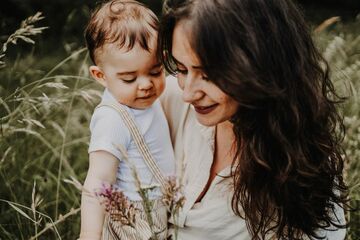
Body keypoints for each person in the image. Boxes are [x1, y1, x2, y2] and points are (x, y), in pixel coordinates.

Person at [158, 0, 348, 239]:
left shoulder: (304, 168)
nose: (188, 93)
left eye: (208, 75)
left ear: (259, 67)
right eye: (182, 69)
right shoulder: (168, 100)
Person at [79, 0, 175, 239]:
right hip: (133, 218)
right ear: (101, 76)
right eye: (129, 78)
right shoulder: (112, 119)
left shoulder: (145, 101)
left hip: (163, 209)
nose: (145, 85)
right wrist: (90, 235)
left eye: (155, 71)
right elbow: (98, 182)